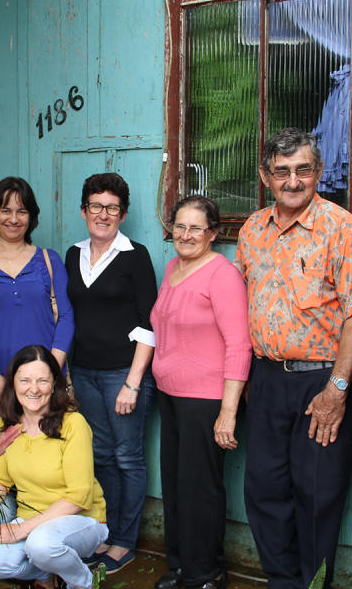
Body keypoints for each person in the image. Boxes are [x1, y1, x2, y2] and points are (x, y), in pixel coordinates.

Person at [235, 128, 352, 589]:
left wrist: (337, 389)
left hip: (322, 383)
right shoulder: (252, 230)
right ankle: (282, 582)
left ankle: (314, 585)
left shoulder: (342, 228)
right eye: (282, 172)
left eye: (303, 170)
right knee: (264, 488)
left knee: (316, 495)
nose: (293, 181)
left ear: (316, 172)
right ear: (266, 176)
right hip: (266, 379)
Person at [150, 195, 252, 589]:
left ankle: (205, 572)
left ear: (213, 233)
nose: (186, 234)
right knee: (175, 484)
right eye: (179, 226)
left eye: (196, 227)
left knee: (200, 488)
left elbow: (239, 345)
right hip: (170, 396)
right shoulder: (173, 267)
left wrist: (228, 412)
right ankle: (179, 564)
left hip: (206, 400)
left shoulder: (222, 275)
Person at [64, 172, 157, 573]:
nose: (104, 214)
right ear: (84, 210)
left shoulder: (136, 256)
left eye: (112, 208)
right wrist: (67, 374)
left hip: (124, 373)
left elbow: (149, 326)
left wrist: (133, 383)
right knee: (100, 455)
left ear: (123, 213)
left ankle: (124, 541)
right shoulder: (72, 253)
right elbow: (68, 315)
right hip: (83, 372)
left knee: (128, 457)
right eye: (96, 206)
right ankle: (104, 532)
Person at [0, 345, 108, 589]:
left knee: (41, 544)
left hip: (82, 520)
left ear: (55, 383)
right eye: (24, 380)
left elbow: (79, 497)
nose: (33, 389)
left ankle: (83, 582)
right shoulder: (9, 424)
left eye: (42, 381)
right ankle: (48, 576)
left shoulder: (73, 424)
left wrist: (22, 529)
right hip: (33, 521)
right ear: (13, 383)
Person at [0, 177, 74, 398]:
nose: (14, 219)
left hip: (47, 381)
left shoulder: (50, 260)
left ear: (31, 216)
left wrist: (50, 371)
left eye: (22, 211)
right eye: (5, 210)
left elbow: (66, 317)